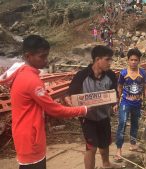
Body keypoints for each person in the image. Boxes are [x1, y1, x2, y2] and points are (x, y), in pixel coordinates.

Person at [0, 35, 88, 169]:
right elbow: (55, 110)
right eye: (42, 57)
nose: (46, 61)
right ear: (28, 56)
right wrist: (83, 110)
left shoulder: (20, 73)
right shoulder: (31, 80)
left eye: (47, 56)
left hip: (24, 133)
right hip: (31, 138)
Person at [67, 45, 122, 169]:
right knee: (91, 147)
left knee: (105, 142)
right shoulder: (81, 75)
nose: (110, 63)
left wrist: (114, 104)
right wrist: (70, 101)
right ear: (97, 59)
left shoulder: (111, 76)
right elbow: (71, 93)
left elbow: (114, 94)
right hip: (87, 118)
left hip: (104, 115)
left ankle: (106, 164)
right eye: (107, 59)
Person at [114, 48, 146, 161]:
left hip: (137, 103)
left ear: (139, 61)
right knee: (122, 123)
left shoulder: (143, 73)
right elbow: (119, 88)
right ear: (128, 60)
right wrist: (116, 102)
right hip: (125, 102)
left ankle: (133, 144)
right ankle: (118, 150)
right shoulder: (123, 73)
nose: (133, 62)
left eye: (136, 60)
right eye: (131, 60)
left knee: (135, 123)